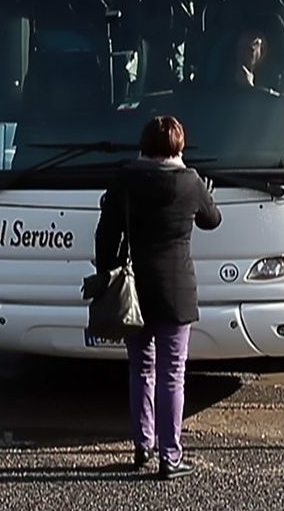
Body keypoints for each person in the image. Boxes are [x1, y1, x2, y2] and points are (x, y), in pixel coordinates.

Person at [94, 114, 221, 479]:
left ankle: (142, 445)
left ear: (144, 145)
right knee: (172, 374)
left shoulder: (125, 180)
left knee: (141, 369)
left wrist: (109, 273)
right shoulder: (192, 182)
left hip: (134, 291)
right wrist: (205, 194)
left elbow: (105, 234)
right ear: (179, 146)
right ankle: (170, 456)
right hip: (177, 290)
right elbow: (212, 220)